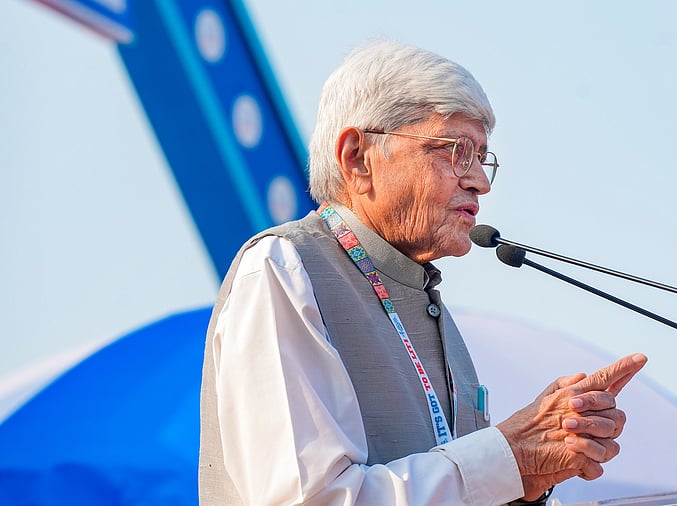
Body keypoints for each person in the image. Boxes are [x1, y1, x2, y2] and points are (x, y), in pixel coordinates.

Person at [199, 40, 648, 505]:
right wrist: (510, 457)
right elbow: (312, 499)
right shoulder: (285, 267)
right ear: (357, 157)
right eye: (454, 150)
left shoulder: (427, 305)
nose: (480, 181)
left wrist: (527, 484)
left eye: (481, 157)